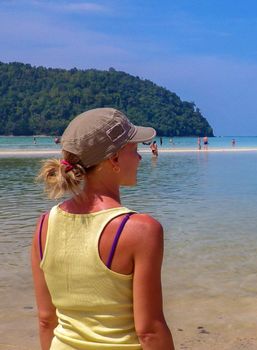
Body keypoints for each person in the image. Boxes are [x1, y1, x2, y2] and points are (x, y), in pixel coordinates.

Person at [32, 108, 174, 349]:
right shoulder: (140, 230)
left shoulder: (45, 224)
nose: (139, 158)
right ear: (115, 159)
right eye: (134, 149)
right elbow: (149, 331)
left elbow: (46, 320)